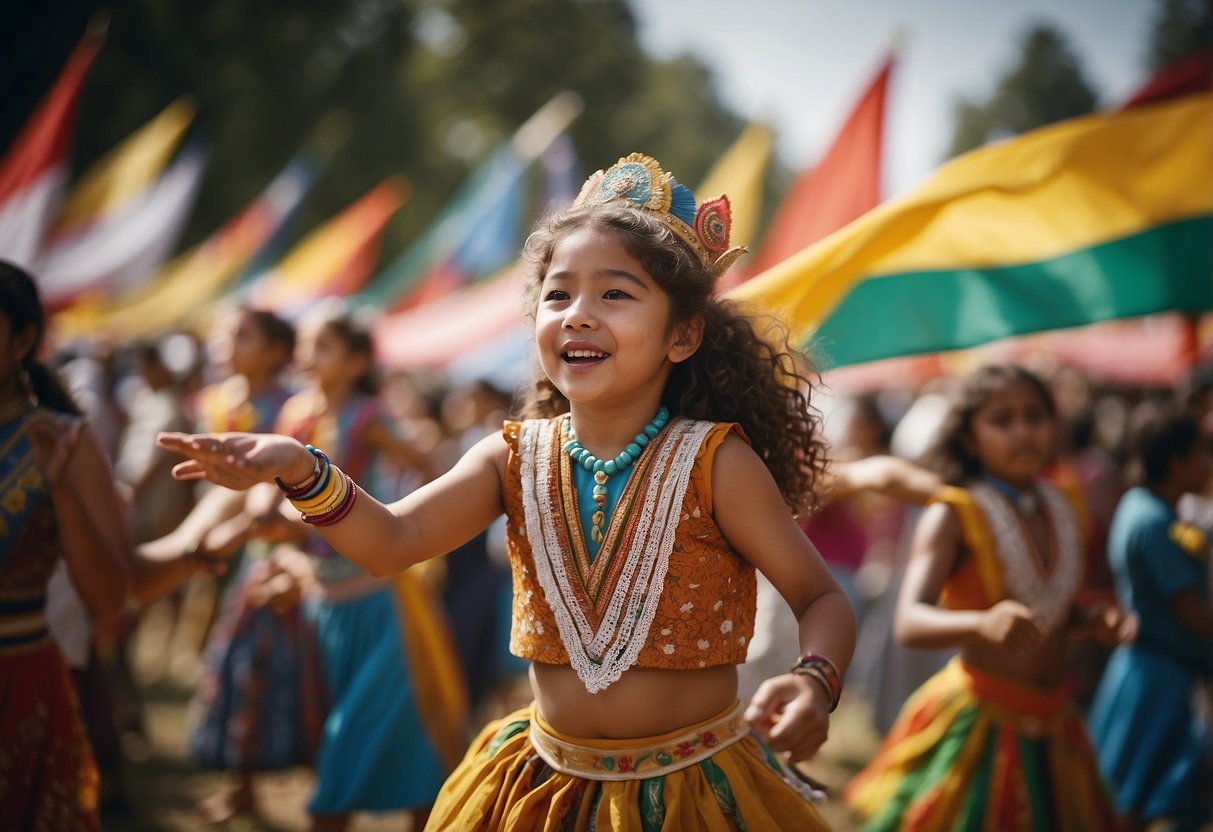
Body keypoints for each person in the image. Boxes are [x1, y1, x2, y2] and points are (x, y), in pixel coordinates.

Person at [160, 152, 853, 831]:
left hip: (692, 796)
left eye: (614, 293)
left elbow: (819, 597)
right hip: (541, 791)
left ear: (682, 334)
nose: (577, 314)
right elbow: (390, 542)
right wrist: (298, 468)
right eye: (558, 293)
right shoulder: (510, 457)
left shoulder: (716, 463)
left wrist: (814, 680)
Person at [844, 362, 1130, 830]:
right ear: (969, 438)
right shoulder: (955, 512)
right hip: (982, 726)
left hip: (1057, 722)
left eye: (1034, 416)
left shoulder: (1066, 503)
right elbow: (909, 622)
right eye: (1002, 420)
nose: (1022, 431)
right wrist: (980, 623)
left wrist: (1093, 620)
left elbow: (1050, 612)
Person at [225, 307, 459, 832]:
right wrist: (280, 559)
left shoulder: (369, 416)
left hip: (378, 599)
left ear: (356, 362)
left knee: (379, 731)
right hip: (319, 599)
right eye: (307, 344)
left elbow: (430, 468)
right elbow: (283, 500)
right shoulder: (295, 416)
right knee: (333, 725)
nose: (309, 355)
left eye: (324, 346)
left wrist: (408, 527)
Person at [0, 260, 129, 829]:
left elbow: (109, 600)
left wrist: (61, 495)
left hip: (19, 680)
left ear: (24, 340)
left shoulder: (67, 443)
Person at [185, 307, 303, 824]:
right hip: (217, 542)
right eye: (225, 332)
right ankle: (240, 783)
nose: (225, 342)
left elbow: (287, 486)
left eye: (242, 335)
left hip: (268, 548)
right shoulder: (215, 403)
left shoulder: (290, 410)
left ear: (276, 351)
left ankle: (254, 778)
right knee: (225, 659)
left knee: (261, 665)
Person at [1087, 406, 1213, 832]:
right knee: (1131, 799)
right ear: (1178, 463)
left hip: (1146, 668)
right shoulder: (1156, 521)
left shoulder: (1139, 504)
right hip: (1157, 676)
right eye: (1202, 454)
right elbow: (1193, 613)